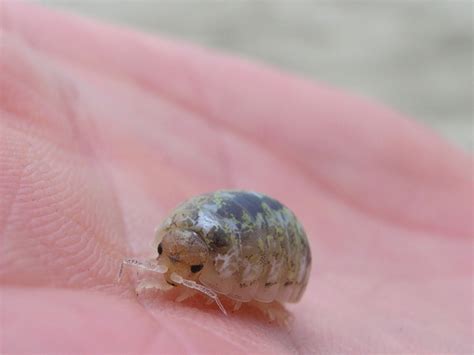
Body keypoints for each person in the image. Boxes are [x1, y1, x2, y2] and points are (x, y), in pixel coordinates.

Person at [0, 2, 472, 353]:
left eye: (190, 268)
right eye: (168, 257)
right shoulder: (185, 231)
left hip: (277, 243)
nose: (170, 269)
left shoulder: (238, 254)